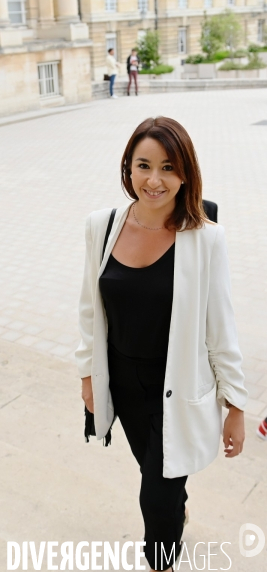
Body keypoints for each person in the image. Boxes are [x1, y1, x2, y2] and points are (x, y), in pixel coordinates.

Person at [76, 117, 248, 572]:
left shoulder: (206, 237)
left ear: (185, 173)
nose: (154, 180)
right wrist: (89, 377)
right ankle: (177, 505)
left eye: (168, 167)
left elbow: (221, 327)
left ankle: (161, 560)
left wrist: (236, 406)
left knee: (154, 498)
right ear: (127, 169)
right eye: (144, 165)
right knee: (157, 476)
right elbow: (89, 311)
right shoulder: (101, 226)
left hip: (178, 389)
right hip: (124, 387)